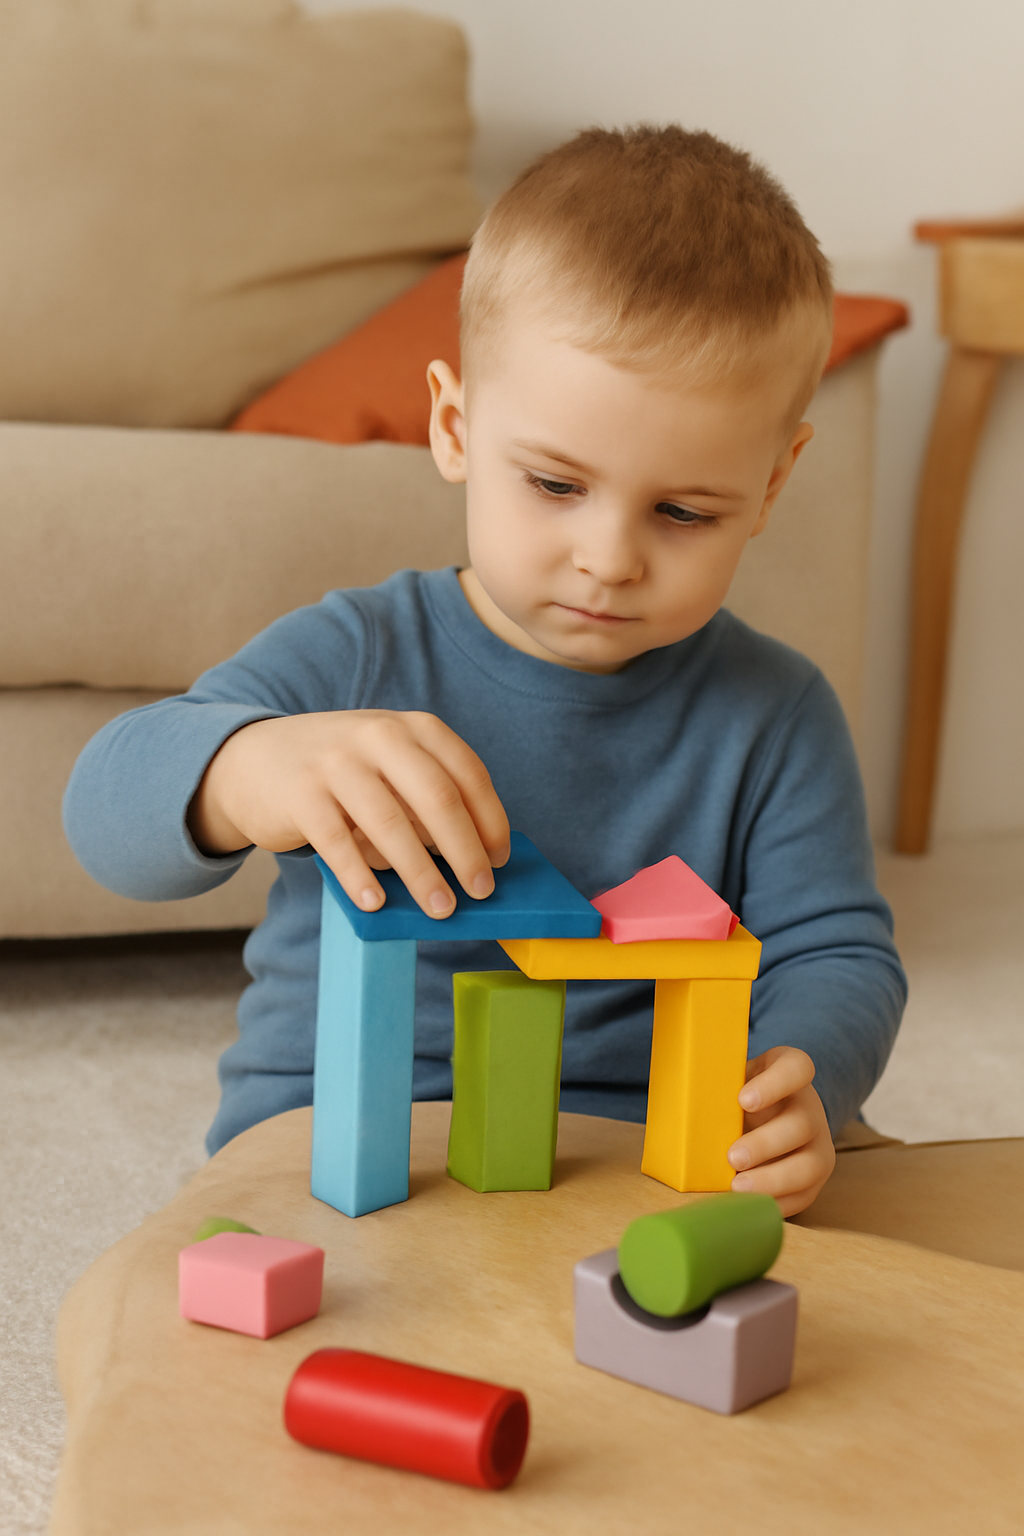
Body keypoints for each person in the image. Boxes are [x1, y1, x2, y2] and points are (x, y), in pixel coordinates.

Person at [64, 125, 906, 1217]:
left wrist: (801, 1077)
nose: (609, 558)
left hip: (642, 1147)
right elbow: (103, 812)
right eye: (555, 486)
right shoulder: (357, 653)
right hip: (355, 1146)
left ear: (773, 481)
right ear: (455, 425)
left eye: (684, 511)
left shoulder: (776, 711)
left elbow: (836, 951)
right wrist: (246, 768)